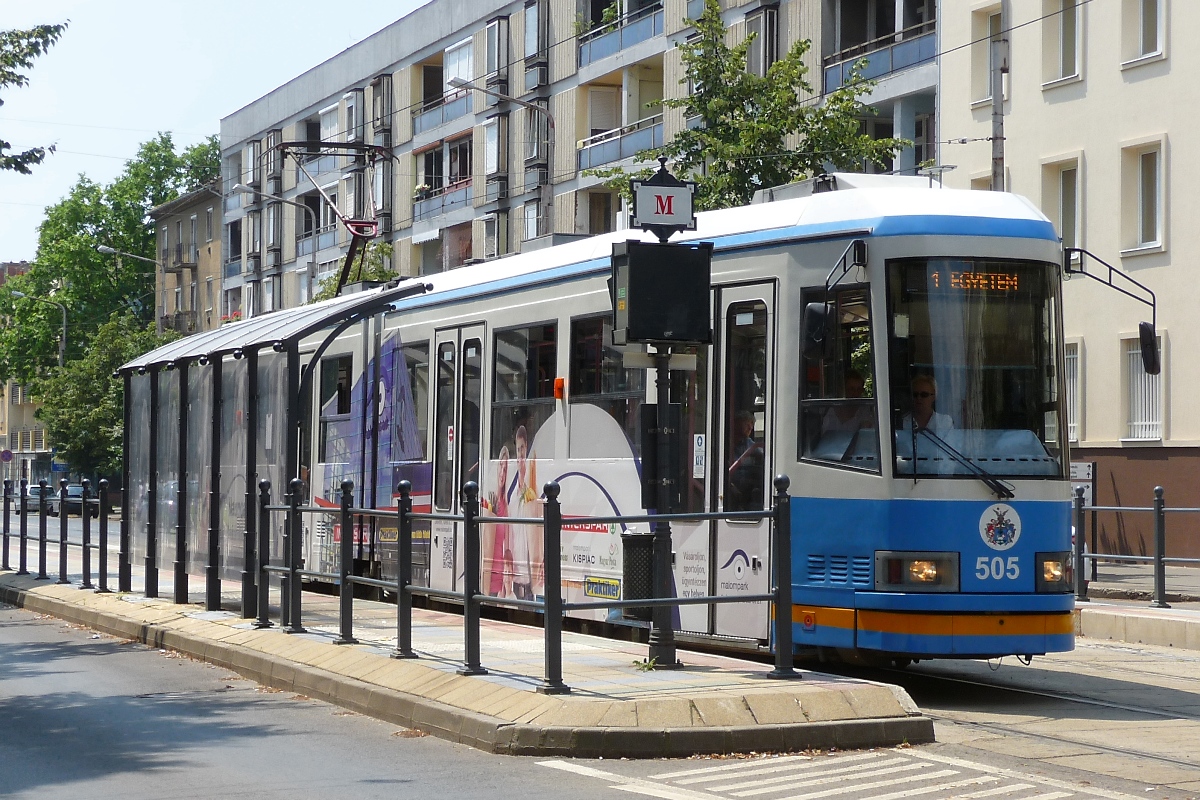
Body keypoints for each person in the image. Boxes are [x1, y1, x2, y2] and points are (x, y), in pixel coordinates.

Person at [726, 410, 764, 510]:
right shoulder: (724, 442)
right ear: (736, 424)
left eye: (752, 424)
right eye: (747, 424)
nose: (750, 427)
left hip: (746, 490)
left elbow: (762, 454)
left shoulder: (749, 444)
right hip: (728, 489)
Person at [821, 370, 874, 435]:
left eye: (859, 389)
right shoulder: (826, 406)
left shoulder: (864, 410)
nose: (856, 393)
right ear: (842, 389)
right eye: (851, 389)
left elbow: (866, 435)